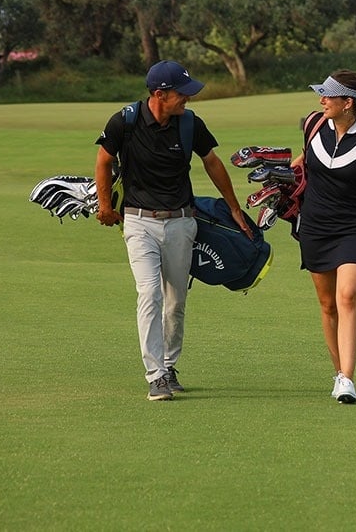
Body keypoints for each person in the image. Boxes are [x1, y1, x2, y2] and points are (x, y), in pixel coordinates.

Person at [94, 60, 252, 401]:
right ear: (159, 94)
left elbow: (212, 161)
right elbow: (104, 161)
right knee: (149, 293)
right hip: (138, 222)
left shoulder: (189, 124)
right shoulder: (125, 121)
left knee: (175, 301)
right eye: (182, 94)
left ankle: (169, 365)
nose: (187, 100)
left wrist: (235, 208)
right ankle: (155, 375)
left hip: (181, 222)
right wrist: (105, 207)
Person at [291, 70, 356, 404]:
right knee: (327, 305)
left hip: (352, 229)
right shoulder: (313, 125)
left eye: (327, 96)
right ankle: (339, 373)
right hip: (315, 229)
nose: (321, 101)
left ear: (348, 103)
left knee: (347, 296)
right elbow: (304, 162)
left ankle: (347, 378)